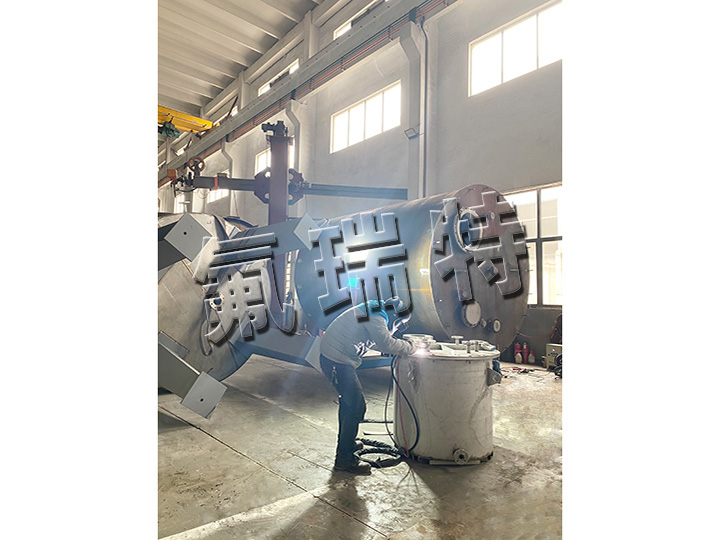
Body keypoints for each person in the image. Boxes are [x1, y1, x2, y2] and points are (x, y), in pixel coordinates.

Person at [319, 298, 416, 474]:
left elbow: (380, 341)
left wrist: (397, 343)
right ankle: (344, 459)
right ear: (395, 317)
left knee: (348, 404)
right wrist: (410, 347)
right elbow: (385, 343)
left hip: (337, 359)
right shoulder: (376, 314)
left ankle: (347, 444)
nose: (397, 327)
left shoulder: (374, 309)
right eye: (400, 324)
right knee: (356, 407)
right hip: (337, 362)